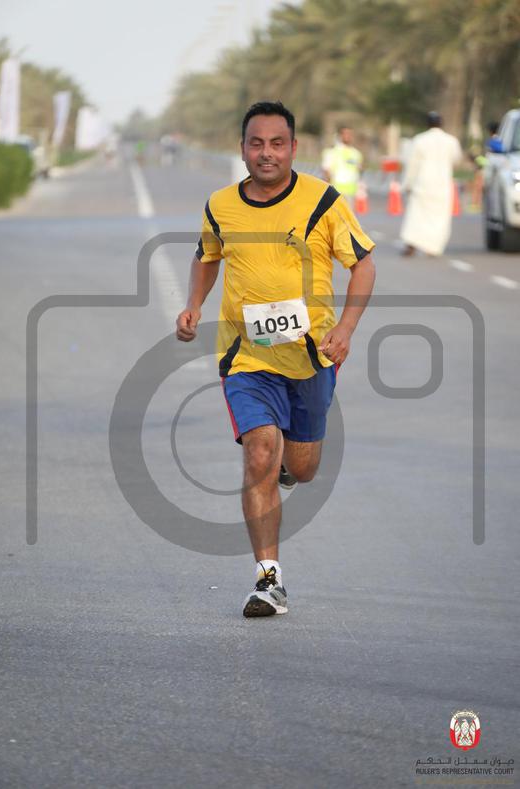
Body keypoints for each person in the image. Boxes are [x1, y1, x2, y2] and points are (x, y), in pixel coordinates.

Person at [176, 101, 375, 618]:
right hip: (246, 356)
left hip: (311, 356)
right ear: (242, 149)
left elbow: (363, 264)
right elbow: (206, 256)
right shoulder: (221, 205)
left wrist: (346, 329)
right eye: (256, 143)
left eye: (277, 143)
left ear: (294, 148)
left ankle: (291, 464)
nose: (267, 153)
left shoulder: (322, 201)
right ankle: (269, 581)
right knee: (260, 452)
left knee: (302, 468)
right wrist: (194, 304)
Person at [400, 111, 462, 257]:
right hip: (442, 184)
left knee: (416, 215)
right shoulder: (451, 141)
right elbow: (457, 160)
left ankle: (411, 244)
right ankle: (433, 247)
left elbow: (412, 164)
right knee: (439, 218)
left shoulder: (420, 140)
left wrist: (407, 184)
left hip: (422, 183)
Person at [321, 125, 363, 201]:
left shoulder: (356, 154)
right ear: (340, 135)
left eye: (349, 134)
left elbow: (359, 171)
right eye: (345, 134)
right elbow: (326, 170)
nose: (347, 136)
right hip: (335, 191)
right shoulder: (332, 152)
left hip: (350, 191)